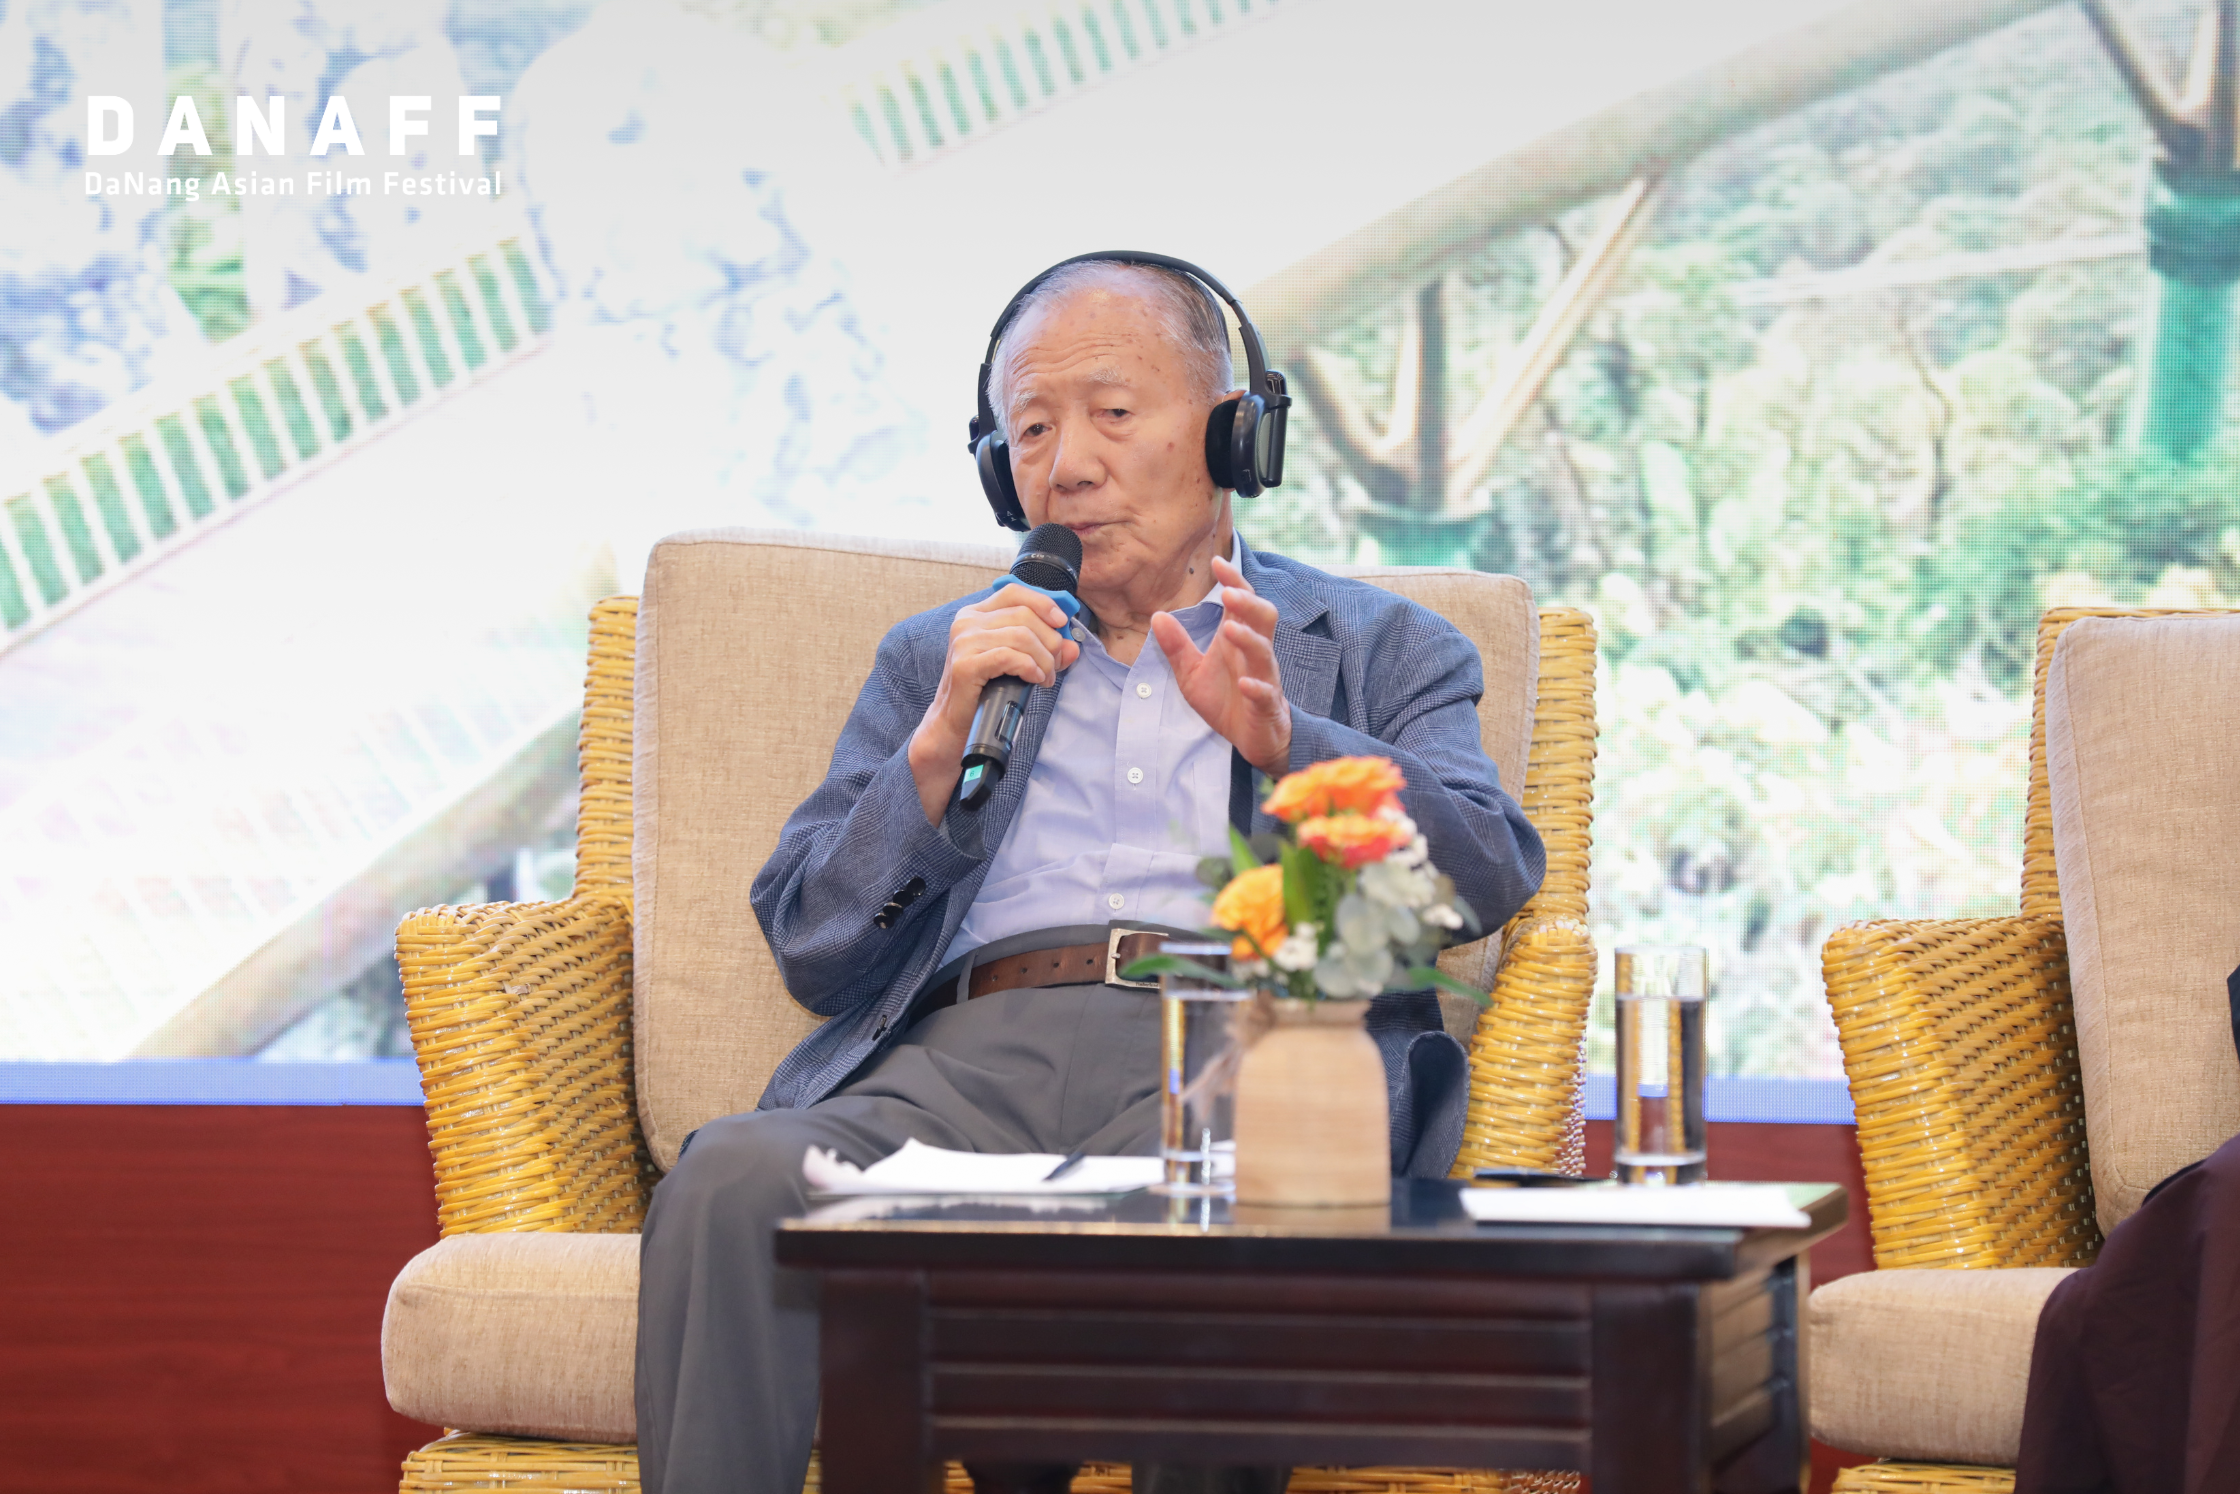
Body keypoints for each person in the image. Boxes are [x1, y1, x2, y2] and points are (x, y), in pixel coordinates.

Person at [634, 255, 1546, 1494]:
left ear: (1232, 432)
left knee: (1241, 1184)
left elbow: (1478, 875)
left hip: (1239, 1056)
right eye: (1029, 430)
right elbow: (814, 946)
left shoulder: (1375, 648)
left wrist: (1293, 748)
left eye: (1112, 413)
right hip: (960, 1064)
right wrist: (930, 755)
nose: (1065, 465)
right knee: (732, 1178)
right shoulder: (938, 657)